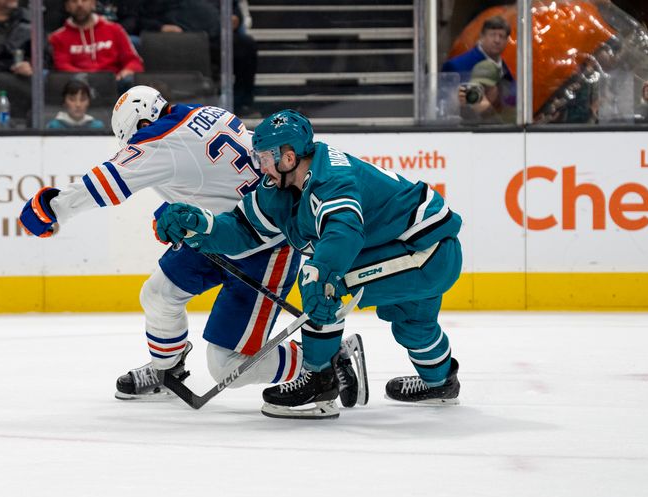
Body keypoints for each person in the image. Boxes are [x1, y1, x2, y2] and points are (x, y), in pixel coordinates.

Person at [18, 87, 366, 408]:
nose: (133, 146)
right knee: (158, 294)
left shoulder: (161, 139)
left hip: (264, 247)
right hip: (219, 231)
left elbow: (109, 181)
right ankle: (166, 370)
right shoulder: (203, 114)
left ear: (141, 123)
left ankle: (326, 360)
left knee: (227, 365)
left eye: (132, 139)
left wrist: (54, 207)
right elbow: (206, 176)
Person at [156, 109, 463, 420]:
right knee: (413, 322)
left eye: (265, 158)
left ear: (288, 158)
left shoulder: (332, 179)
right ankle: (440, 383)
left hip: (426, 251)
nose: (261, 166)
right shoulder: (278, 187)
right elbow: (243, 229)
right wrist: (200, 226)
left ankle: (320, 382)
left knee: (322, 280)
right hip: (407, 245)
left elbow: (343, 231)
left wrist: (323, 277)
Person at [49, 0, 144, 92]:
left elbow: (133, 60)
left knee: (129, 80)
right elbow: (62, 66)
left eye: (84, 0)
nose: (79, 4)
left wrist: (127, 70)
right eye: (74, 1)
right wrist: (91, 78)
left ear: (93, 3)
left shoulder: (115, 29)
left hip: (114, 82)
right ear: (67, 7)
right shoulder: (57, 37)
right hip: (79, 85)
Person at [442, 15, 513, 85]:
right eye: (492, 35)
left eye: (501, 36)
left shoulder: (507, 72)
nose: (497, 40)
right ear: (482, 36)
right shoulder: (456, 67)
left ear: (507, 40)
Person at [459, 58, 515, 124]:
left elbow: (501, 132)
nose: (481, 93)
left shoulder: (512, 115)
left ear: (499, 88)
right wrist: (459, 107)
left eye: (486, 88)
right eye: (476, 88)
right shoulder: (469, 111)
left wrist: (487, 112)